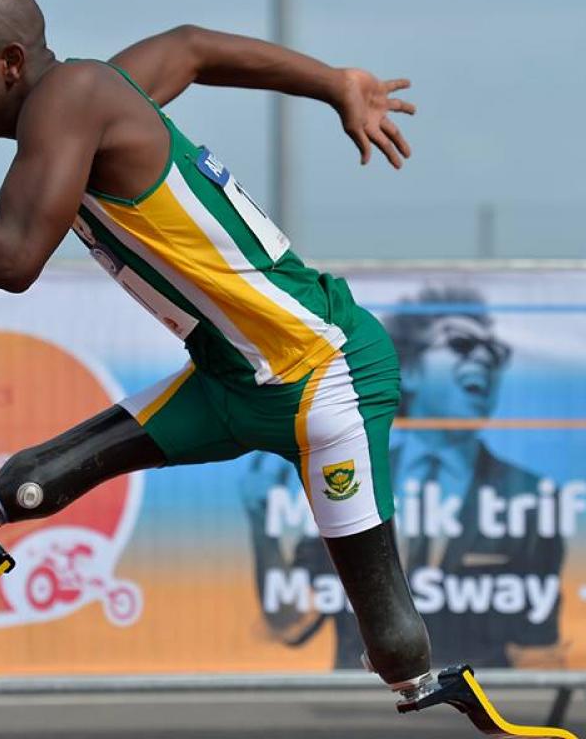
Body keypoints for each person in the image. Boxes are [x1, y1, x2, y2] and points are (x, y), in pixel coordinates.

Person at [0, 0, 436, 702]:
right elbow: (191, 49)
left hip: (325, 374)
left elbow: (14, 258)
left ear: (10, 61)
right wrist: (331, 83)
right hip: (230, 383)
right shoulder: (99, 94)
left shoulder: (72, 96)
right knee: (22, 485)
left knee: (395, 646)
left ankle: (424, 680)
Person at [241, 286, 565, 669]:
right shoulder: (348, 471)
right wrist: (261, 521)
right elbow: (292, 623)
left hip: (473, 704)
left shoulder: (530, 494)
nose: (484, 358)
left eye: (495, 353)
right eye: (461, 344)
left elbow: (537, 642)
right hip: (362, 705)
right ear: (409, 370)